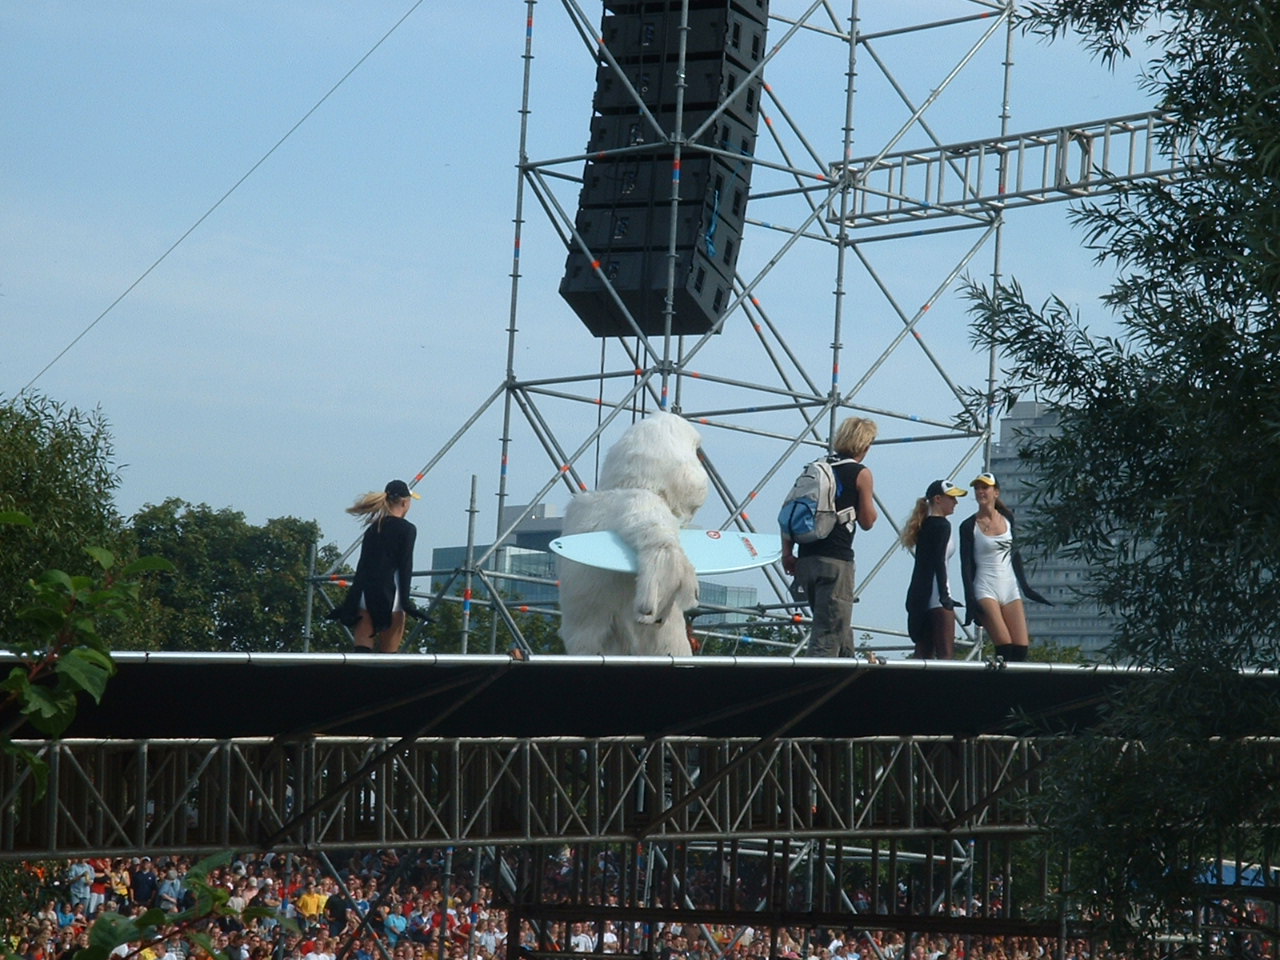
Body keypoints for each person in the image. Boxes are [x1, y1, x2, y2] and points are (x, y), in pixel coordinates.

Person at [781, 417, 879, 657]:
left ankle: (848, 681)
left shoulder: (816, 467)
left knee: (840, 629)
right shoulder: (860, 473)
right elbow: (868, 521)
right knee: (828, 633)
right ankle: (814, 686)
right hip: (836, 562)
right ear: (864, 445)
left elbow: (789, 509)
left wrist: (787, 553)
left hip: (805, 560)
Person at [958, 472, 1051, 662]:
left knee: (1021, 647)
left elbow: (1015, 555)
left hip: (1009, 586)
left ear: (996, 493)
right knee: (1005, 645)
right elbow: (966, 565)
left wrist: (1025, 587)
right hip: (985, 587)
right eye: (977, 488)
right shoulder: (968, 525)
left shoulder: (1008, 518)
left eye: (985, 488)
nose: (980, 492)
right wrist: (970, 602)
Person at [327, 479, 423, 653]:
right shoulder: (407, 529)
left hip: (366, 591)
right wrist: (406, 601)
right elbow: (405, 565)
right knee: (389, 654)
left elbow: (363, 565)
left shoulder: (373, 527)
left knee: (362, 651)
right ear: (404, 502)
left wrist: (351, 600)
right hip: (391, 593)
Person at [902, 479, 966, 660]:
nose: (955, 502)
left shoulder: (925, 525)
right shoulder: (942, 525)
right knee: (946, 655)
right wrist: (945, 596)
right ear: (938, 499)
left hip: (921, 595)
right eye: (952, 498)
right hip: (937, 595)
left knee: (923, 653)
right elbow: (939, 561)